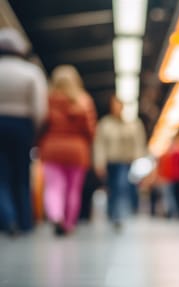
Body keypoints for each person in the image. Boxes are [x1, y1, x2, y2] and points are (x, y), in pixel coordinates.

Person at [38, 65, 97, 235]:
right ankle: (69, 223)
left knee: (54, 187)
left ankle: (56, 216)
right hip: (77, 151)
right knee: (73, 189)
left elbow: (42, 124)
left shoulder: (47, 99)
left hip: (52, 148)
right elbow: (90, 131)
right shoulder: (84, 101)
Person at [0, 28, 48, 236]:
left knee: (2, 176)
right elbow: (40, 108)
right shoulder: (31, 72)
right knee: (22, 176)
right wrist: (34, 130)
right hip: (22, 126)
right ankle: (24, 221)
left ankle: (7, 218)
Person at [93, 95, 147, 228]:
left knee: (121, 186)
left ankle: (119, 214)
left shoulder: (132, 124)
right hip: (110, 161)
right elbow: (99, 145)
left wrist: (137, 159)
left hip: (125, 161)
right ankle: (112, 213)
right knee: (112, 188)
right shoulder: (105, 124)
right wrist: (99, 163)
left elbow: (138, 143)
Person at [157, 133, 179, 218]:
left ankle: (174, 212)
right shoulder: (173, 154)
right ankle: (175, 212)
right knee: (175, 196)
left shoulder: (169, 154)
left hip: (175, 178)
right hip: (173, 178)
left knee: (174, 196)